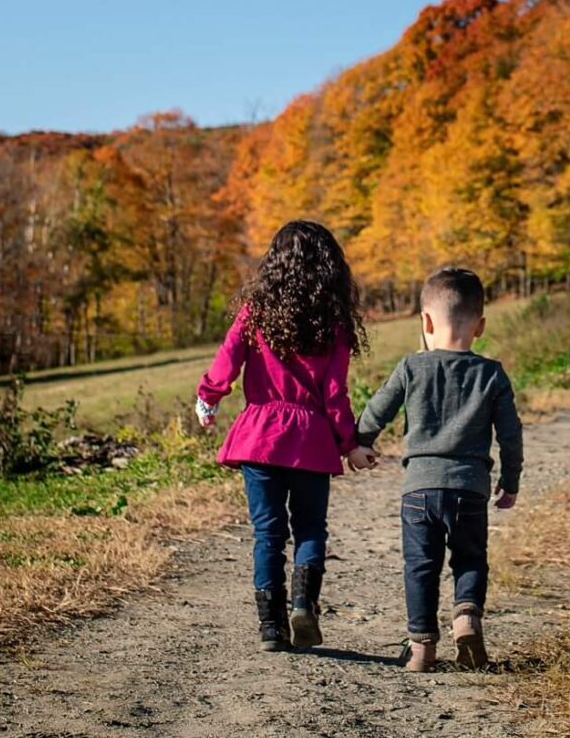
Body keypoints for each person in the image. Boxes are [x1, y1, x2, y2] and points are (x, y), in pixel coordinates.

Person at [194, 219, 367, 652]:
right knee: (310, 530)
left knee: (268, 533)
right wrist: (349, 445)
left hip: (260, 439)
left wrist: (209, 398)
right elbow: (335, 394)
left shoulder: (256, 312)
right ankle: (304, 604)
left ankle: (271, 628)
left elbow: (228, 357)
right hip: (310, 440)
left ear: (274, 264)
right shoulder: (334, 324)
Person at [352, 265, 523, 671]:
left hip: (419, 491)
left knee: (421, 566)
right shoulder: (492, 374)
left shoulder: (411, 367)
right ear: (480, 326)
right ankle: (466, 618)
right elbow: (511, 435)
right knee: (470, 559)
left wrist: (360, 444)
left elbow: (377, 410)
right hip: (470, 490)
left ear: (426, 322)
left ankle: (422, 649)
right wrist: (510, 481)